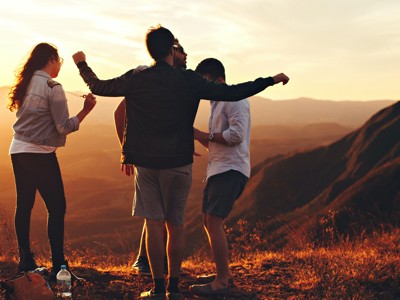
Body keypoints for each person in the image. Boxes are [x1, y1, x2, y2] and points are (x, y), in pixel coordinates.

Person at [72, 25, 289, 300]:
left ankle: (158, 287)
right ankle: (174, 289)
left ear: (150, 50)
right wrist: (269, 79)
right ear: (172, 50)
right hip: (179, 162)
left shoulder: (137, 78)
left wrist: (82, 64)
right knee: (176, 225)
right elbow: (234, 92)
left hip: (147, 164)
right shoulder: (187, 80)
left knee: (153, 225)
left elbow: (99, 87)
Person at [7, 43, 97, 282]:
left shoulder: (26, 83)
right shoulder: (53, 87)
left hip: (17, 149)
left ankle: (25, 261)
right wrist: (86, 110)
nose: (59, 67)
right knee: (57, 208)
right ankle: (60, 267)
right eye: (59, 62)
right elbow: (63, 126)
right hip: (40, 153)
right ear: (51, 59)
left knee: (24, 205)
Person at [114, 38, 188, 276]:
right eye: (182, 51)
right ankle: (145, 261)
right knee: (156, 215)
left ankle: (153, 264)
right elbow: (119, 112)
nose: (187, 57)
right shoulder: (146, 77)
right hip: (148, 156)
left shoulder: (174, 82)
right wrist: (127, 150)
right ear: (171, 52)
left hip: (166, 154)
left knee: (159, 214)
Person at [188, 58, 252, 296]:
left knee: (214, 221)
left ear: (218, 79)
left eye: (204, 81)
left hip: (231, 170)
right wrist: (197, 136)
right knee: (208, 220)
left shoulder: (233, 99)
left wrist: (205, 134)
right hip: (218, 168)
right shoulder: (216, 102)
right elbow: (216, 141)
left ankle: (222, 281)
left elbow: (235, 136)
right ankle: (222, 273)